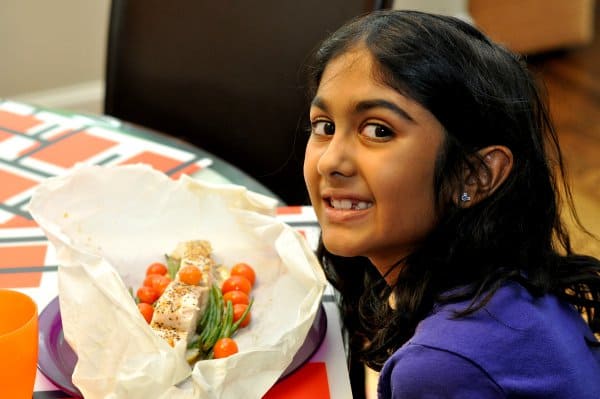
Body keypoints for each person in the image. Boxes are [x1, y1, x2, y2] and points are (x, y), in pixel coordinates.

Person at [302, 9, 600, 398]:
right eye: (324, 126)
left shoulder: (442, 366)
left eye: (378, 130)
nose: (329, 162)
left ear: (475, 176)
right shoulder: (509, 280)